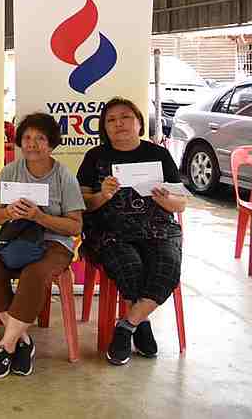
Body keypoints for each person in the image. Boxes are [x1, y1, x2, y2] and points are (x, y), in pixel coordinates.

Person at [77, 97, 186, 366]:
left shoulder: (158, 154)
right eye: (111, 120)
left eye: (125, 117)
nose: (119, 124)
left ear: (139, 122)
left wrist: (165, 200)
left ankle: (127, 325)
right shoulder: (95, 157)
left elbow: (180, 202)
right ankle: (143, 324)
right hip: (110, 231)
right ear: (104, 127)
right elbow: (82, 204)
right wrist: (102, 195)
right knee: (131, 267)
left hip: (158, 229)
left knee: (167, 268)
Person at [0, 113, 84, 379]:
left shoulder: (64, 177)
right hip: (16, 238)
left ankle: (5, 346)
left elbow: (74, 227)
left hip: (54, 242)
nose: (32, 144)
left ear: (51, 144)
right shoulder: (11, 170)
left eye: (40, 138)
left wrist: (41, 217)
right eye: (27, 138)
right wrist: (8, 213)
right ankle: (23, 340)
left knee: (35, 274)